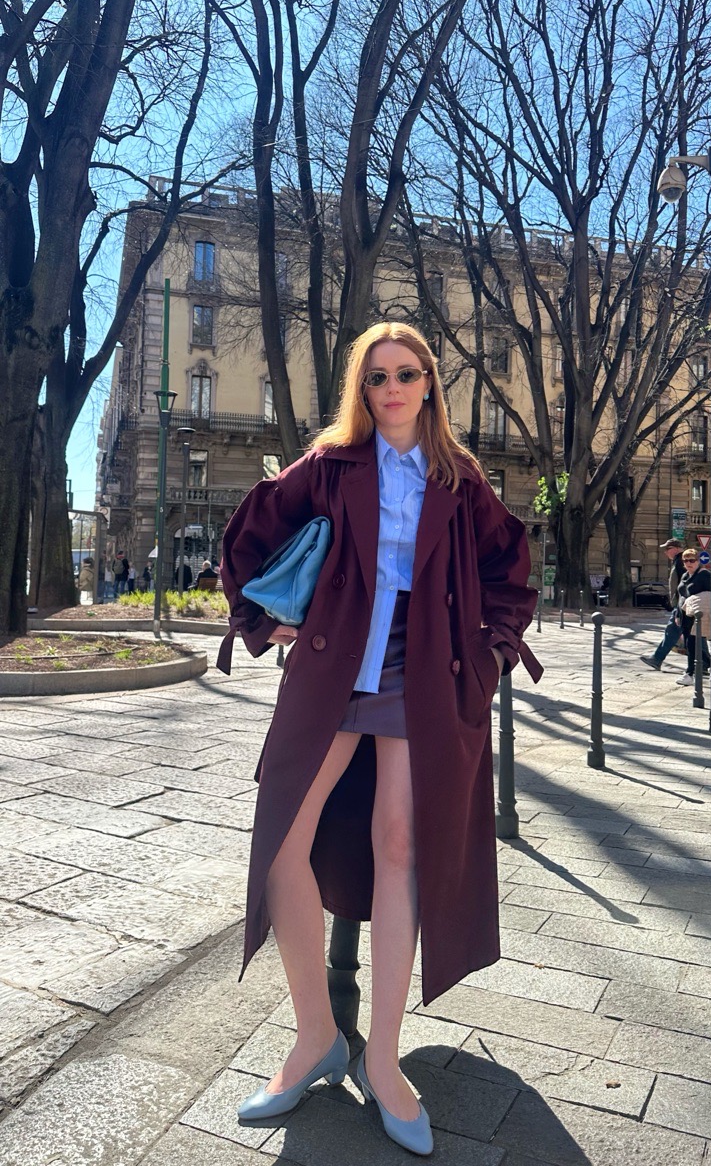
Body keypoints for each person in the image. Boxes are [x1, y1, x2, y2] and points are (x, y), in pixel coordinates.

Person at [217, 322, 541, 1155]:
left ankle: (386, 1061)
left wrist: (492, 652)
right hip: (332, 668)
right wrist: (257, 618)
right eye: (375, 377)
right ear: (359, 389)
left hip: (422, 675)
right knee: (280, 844)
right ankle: (315, 1037)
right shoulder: (329, 464)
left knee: (400, 846)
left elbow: (510, 567)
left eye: (404, 373)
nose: (391, 388)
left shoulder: (458, 476)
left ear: (429, 382)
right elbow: (249, 533)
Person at [640, 539, 686, 670]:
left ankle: (657, 658)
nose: (665, 552)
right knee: (690, 634)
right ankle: (705, 663)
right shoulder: (678, 561)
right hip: (683, 603)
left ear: (676, 548)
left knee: (673, 631)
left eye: (668, 549)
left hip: (682, 604)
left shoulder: (681, 561)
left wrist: (679, 605)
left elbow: (683, 585)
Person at [676, 548, 711, 686]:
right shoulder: (685, 575)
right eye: (685, 561)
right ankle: (698, 670)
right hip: (685, 615)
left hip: (699, 616)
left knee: (694, 644)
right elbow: (681, 596)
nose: (688, 563)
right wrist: (677, 614)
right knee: (691, 645)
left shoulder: (704, 575)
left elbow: (710, 595)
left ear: (698, 561)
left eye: (692, 560)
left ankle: (691, 673)